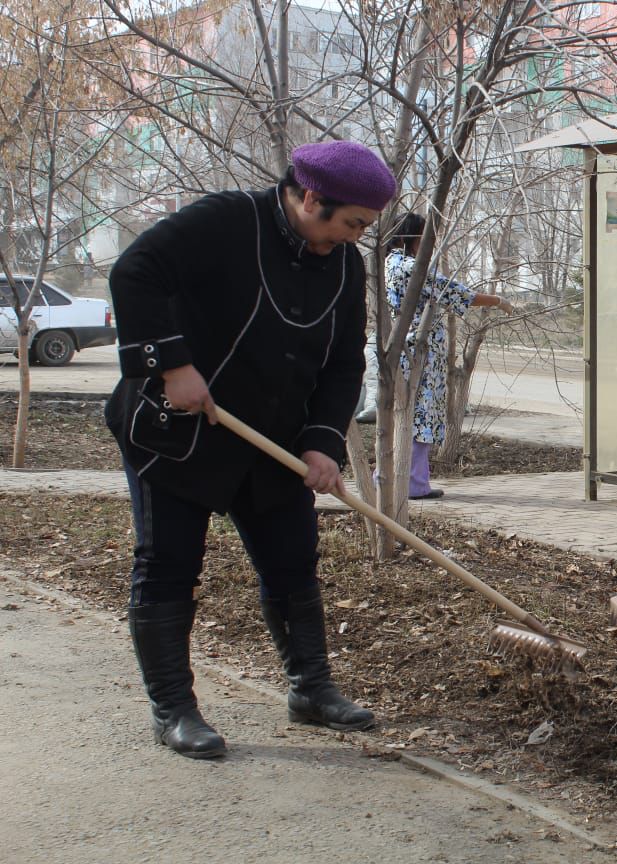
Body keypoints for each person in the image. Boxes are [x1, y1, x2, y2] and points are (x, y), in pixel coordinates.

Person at [104, 140, 397, 758]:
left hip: (274, 443)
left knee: (292, 561)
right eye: (350, 224)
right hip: (175, 432)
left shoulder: (344, 265)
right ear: (311, 196)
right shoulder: (226, 221)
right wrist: (172, 366)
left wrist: (322, 444)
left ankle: (311, 690)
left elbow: (345, 361)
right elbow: (135, 273)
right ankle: (174, 710)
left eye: (363, 229)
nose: (352, 238)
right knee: (168, 565)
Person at [382, 212, 513, 500]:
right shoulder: (409, 267)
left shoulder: (388, 264)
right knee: (422, 413)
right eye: (422, 238)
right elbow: (457, 293)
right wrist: (497, 301)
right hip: (420, 350)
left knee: (407, 412)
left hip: (404, 345)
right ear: (410, 238)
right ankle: (414, 482)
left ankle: (403, 479)